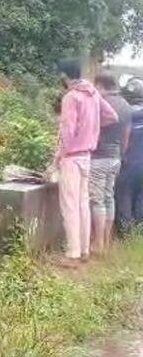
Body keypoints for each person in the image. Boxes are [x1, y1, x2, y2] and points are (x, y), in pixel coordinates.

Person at [53, 60, 118, 265]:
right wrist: (93, 129)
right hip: (87, 155)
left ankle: (72, 254)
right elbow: (112, 116)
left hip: (71, 157)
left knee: (70, 205)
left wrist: (58, 156)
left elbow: (67, 131)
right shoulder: (93, 93)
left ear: (65, 76)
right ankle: (83, 251)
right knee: (82, 203)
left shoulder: (71, 97)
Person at [89, 73, 131, 254]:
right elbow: (126, 136)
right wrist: (121, 155)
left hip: (99, 157)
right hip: (115, 158)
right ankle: (106, 240)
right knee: (108, 197)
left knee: (97, 200)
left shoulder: (101, 103)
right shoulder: (126, 105)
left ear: (100, 85)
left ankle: (98, 244)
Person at [116, 78, 143, 232]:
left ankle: (126, 232)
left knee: (124, 194)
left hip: (128, 163)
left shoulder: (126, 113)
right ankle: (139, 230)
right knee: (141, 196)